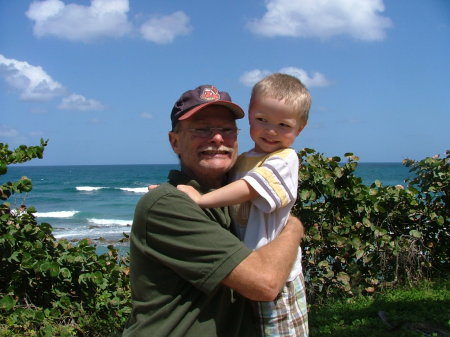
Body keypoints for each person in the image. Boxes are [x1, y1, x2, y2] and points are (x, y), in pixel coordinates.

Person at [122, 84, 304, 337]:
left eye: (227, 130)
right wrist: (294, 227)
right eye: (202, 129)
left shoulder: (232, 200)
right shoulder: (167, 204)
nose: (217, 138)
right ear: (175, 142)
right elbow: (265, 283)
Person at [177, 74, 311, 337]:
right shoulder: (246, 160)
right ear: (249, 117)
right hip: (251, 266)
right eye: (262, 120)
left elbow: (249, 188)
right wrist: (174, 192)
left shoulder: (285, 159)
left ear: (300, 129)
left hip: (278, 274)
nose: (271, 131)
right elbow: (220, 187)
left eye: (283, 124)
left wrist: (200, 199)